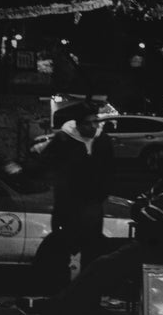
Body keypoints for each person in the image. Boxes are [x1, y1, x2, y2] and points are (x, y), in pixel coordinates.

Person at [19, 129, 163, 315]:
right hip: (154, 244)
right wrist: (142, 211)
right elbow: (141, 206)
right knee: (99, 252)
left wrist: (142, 211)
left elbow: (146, 214)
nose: (155, 166)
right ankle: (65, 305)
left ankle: (59, 314)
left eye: (160, 162)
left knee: (103, 265)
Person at [14, 100, 116, 286]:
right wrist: (23, 170)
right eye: (88, 123)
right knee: (63, 244)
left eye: (96, 122)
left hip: (92, 204)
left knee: (92, 248)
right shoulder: (64, 140)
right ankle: (57, 286)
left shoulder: (102, 140)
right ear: (78, 125)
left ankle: (87, 289)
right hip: (68, 203)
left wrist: (102, 193)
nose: (93, 127)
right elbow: (45, 164)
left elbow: (109, 169)